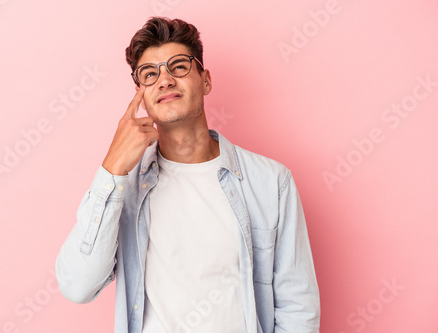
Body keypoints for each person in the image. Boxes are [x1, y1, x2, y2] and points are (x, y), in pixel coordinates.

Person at [56, 17, 320, 333]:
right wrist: (111, 169)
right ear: (139, 91)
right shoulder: (122, 187)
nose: (164, 80)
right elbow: (78, 286)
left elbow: (298, 309)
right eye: (149, 74)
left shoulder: (271, 183)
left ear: (205, 80)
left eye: (178, 66)